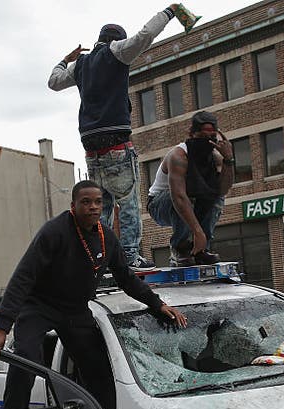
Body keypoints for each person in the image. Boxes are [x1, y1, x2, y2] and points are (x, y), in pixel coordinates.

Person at [0, 180, 187, 409]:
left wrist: (158, 304)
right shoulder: (54, 231)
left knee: (99, 368)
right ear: (73, 205)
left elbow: (126, 278)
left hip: (75, 311)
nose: (93, 207)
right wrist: (1, 329)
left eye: (98, 202)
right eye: (86, 202)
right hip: (39, 306)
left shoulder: (107, 238)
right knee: (26, 359)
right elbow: (22, 278)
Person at [48, 4, 187, 272]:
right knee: (128, 200)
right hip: (115, 140)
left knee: (103, 204)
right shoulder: (118, 52)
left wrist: (68, 57)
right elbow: (145, 35)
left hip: (91, 146)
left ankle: (100, 259)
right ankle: (130, 256)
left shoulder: (81, 65)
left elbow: (53, 81)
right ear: (117, 40)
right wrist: (170, 12)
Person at [147, 111, 235, 266]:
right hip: (160, 204)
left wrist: (228, 159)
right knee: (187, 194)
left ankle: (200, 251)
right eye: (202, 137)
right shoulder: (179, 155)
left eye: (211, 138)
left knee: (215, 196)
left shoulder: (215, 157)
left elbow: (223, 190)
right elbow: (178, 197)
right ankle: (180, 248)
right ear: (191, 134)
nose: (206, 142)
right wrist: (197, 231)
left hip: (191, 200)